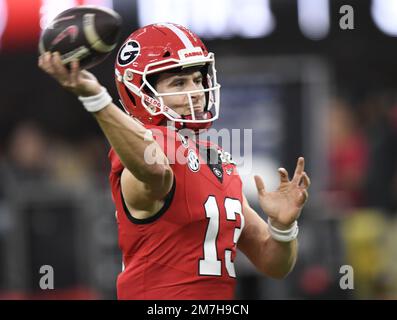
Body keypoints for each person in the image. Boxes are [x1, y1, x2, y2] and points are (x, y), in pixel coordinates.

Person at [38, 22, 310, 300]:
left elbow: (274, 263)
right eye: (179, 82)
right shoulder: (150, 146)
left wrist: (282, 226)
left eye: (196, 79)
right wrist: (96, 99)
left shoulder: (217, 158)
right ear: (141, 92)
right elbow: (155, 170)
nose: (195, 91)